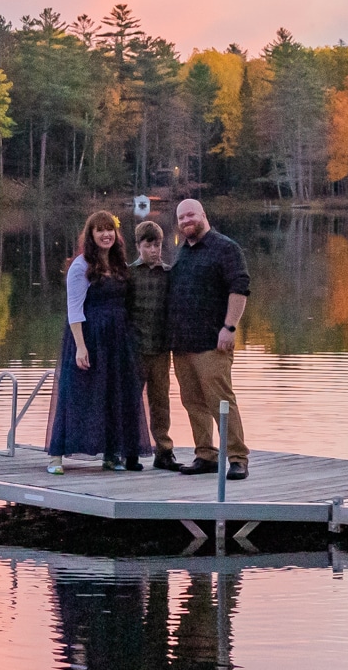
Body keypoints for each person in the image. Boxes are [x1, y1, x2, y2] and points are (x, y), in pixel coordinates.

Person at [43, 209, 149, 473]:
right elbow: (74, 309)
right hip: (89, 337)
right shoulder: (80, 266)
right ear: (90, 235)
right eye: (99, 230)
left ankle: (112, 454)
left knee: (114, 393)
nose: (106, 234)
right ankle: (56, 457)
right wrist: (80, 346)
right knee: (77, 393)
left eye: (109, 229)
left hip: (117, 339)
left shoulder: (119, 265)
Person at [164, 196, 253, 477]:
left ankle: (238, 458)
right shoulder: (184, 252)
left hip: (212, 343)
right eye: (181, 218)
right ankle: (206, 455)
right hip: (182, 344)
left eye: (191, 215)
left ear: (203, 215)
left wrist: (229, 328)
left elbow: (239, 287)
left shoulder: (226, 248)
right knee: (192, 403)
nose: (186, 221)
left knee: (221, 402)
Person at [125, 217, 181, 470]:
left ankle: (164, 451)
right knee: (132, 400)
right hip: (135, 349)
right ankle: (130, 450)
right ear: (138, 246)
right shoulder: (128, 274)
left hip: (160, 349)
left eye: (157, 245)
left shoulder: (169, 274)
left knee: (161, 400)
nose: (154, 250)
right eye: (148, 245)